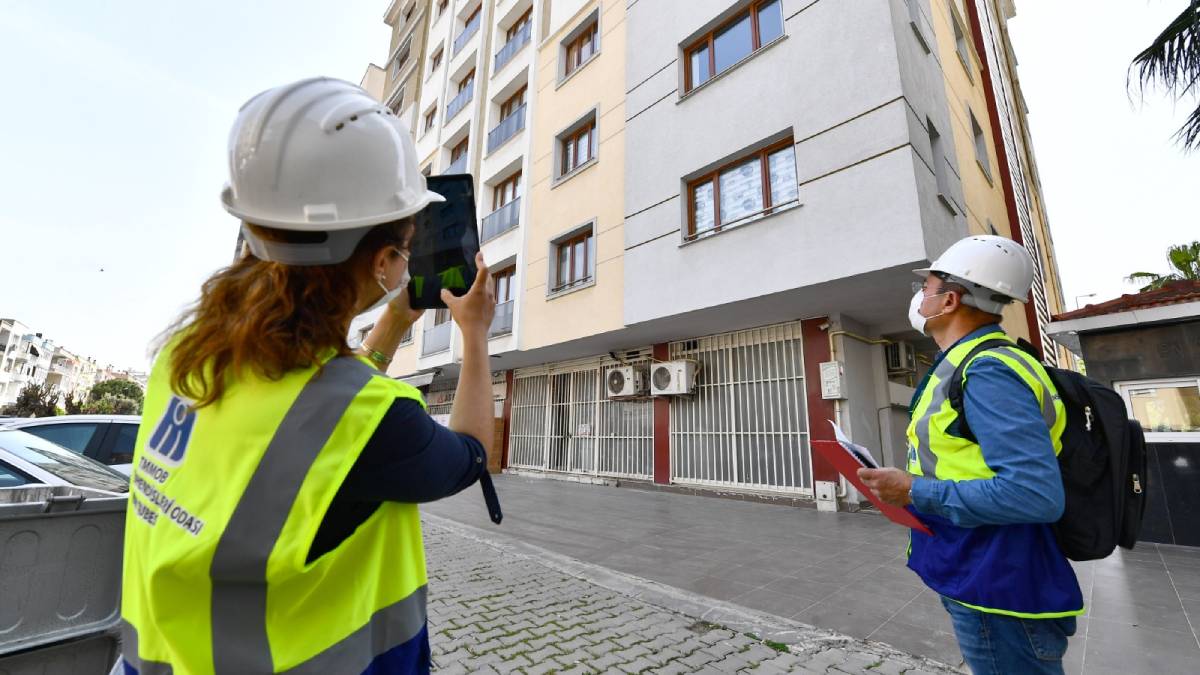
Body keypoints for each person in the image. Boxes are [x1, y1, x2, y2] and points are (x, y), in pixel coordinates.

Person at [118, 77, 497, 674]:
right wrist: (475, 334)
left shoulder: (184, 355)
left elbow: (311, 405)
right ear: (382, 264)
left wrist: (394, 324)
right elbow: (474, 452)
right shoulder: (373, 422)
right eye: (403, 247)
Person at [858, 235, 1082, 675]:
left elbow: (1034, 494)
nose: (920, 295)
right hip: (975, 566)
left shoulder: (989, 370)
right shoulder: (969, 363)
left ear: (950, 301)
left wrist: (914, 490)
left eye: (927, 287)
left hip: (998, 579)